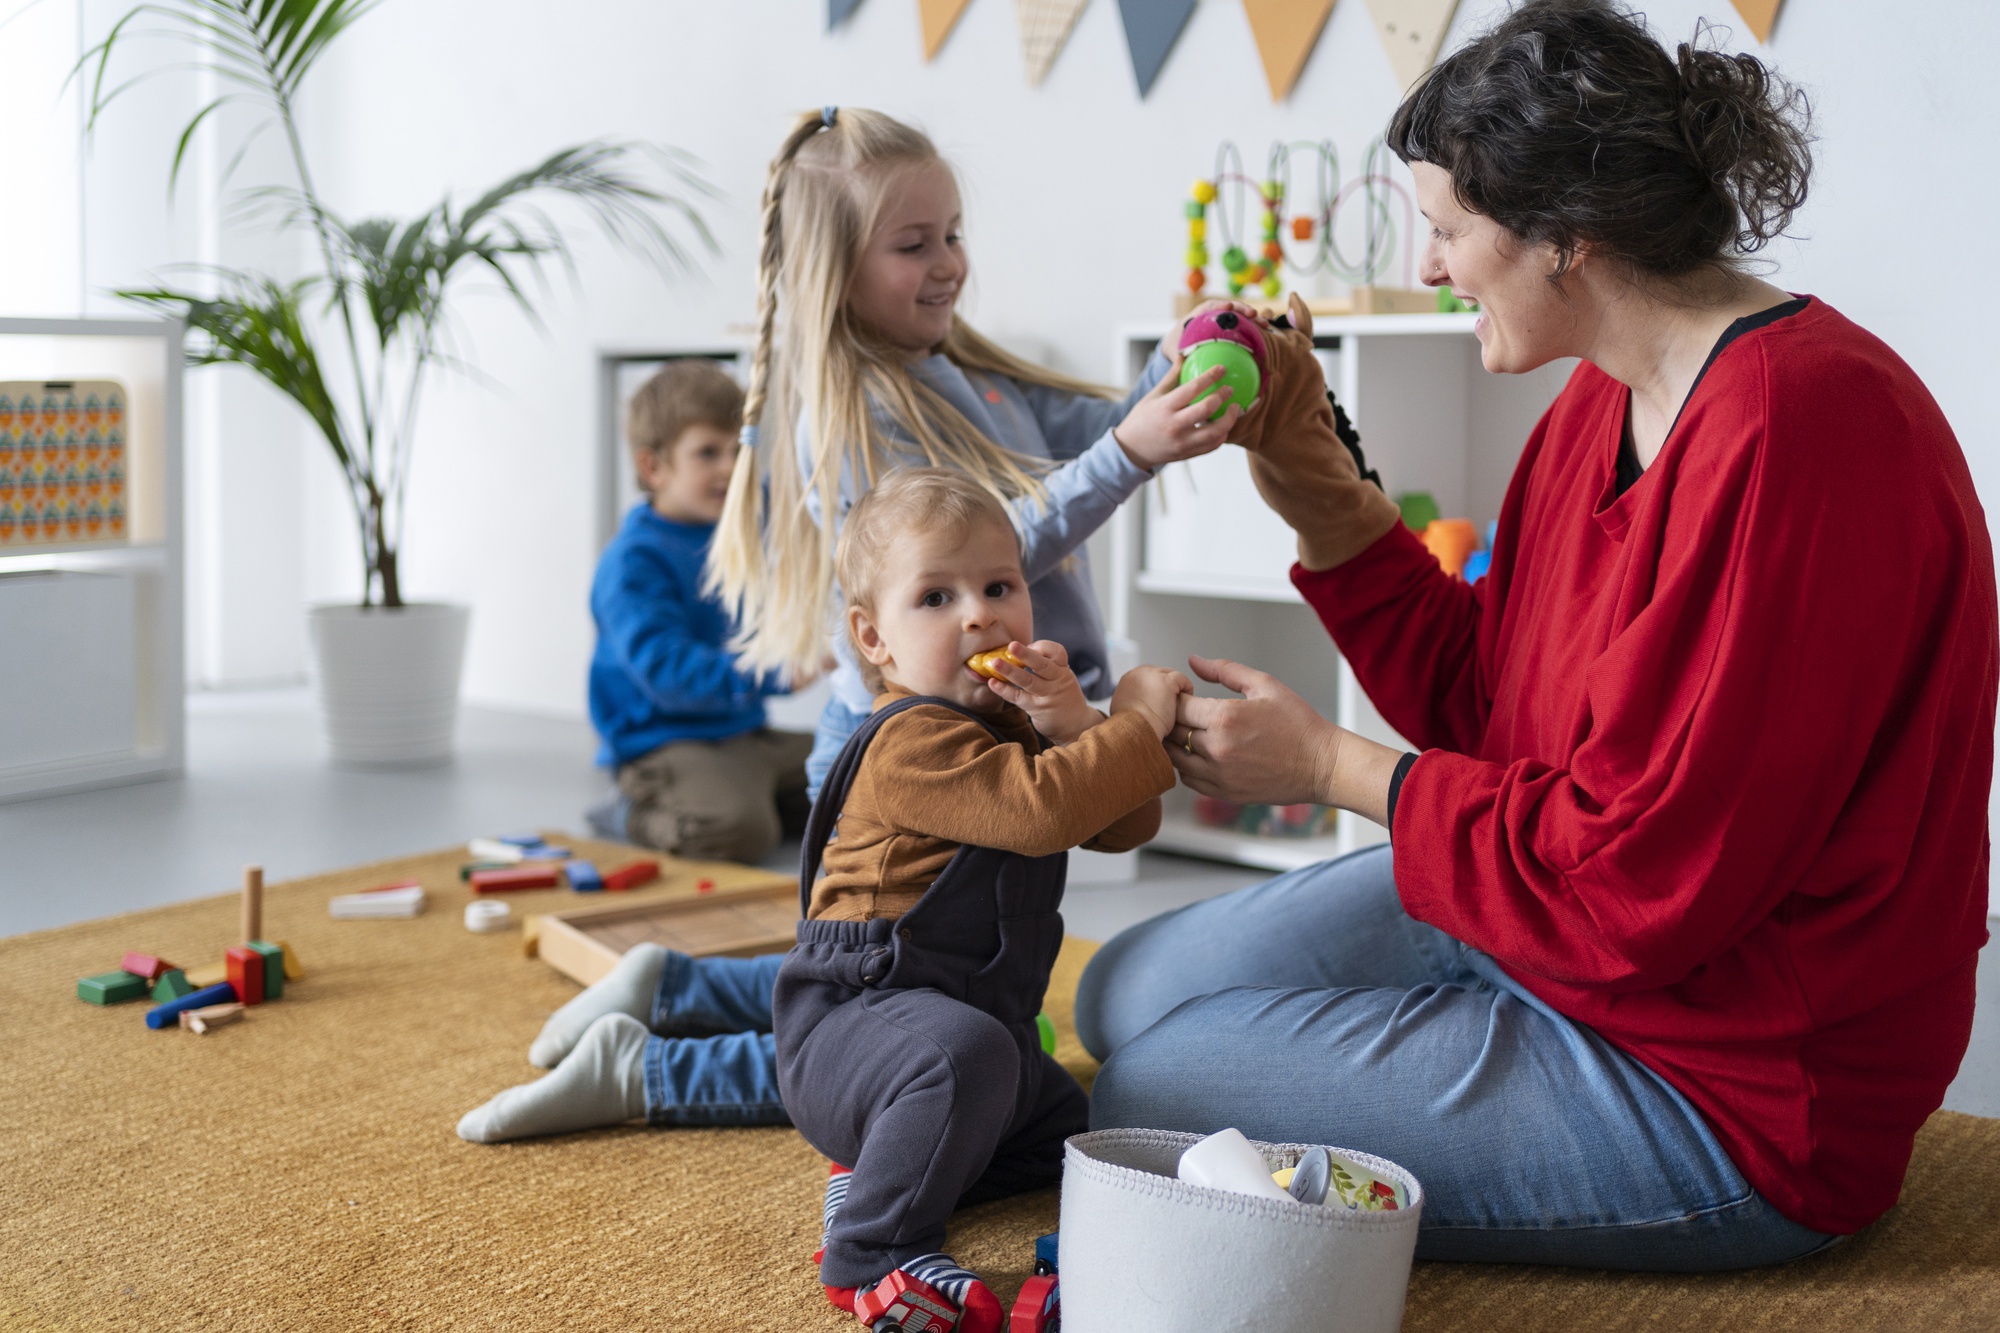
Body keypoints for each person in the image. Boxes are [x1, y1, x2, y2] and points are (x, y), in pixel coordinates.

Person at [1075, 0, 1995, 1273]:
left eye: (1448, 230)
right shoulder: (1595, 403)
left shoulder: (1802, 430)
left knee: (1152, 1088)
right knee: (1120, 993)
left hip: (1725, 1080)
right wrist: (1308, 475)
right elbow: (1485, 704)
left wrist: (1328, 769)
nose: (1433, 265)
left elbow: (1637, 881)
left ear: (1566, 233)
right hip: (1559, 936)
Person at [774, 469, 1185, 1328]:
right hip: (853, 1027)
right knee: (966, 1061)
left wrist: (1079, 722)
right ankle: (871, 1247)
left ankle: (885, 1160)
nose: (980, 614)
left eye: (1000, 586)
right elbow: (1039, 811)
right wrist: (1132, 728)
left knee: (1069, 1132)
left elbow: (1122, 824)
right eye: (936, 596)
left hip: (968, 1031)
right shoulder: (911, 740)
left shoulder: (1016, 726)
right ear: (873, 638)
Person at [583, 359, 812, 865]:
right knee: (736, 832)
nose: (730, 469)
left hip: (742, 730)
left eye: (737, 451)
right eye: (707, 453)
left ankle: (753, 794)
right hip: (667, 740)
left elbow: (798, 505)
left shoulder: (731, 525)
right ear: (653, 467)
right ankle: (630, 809)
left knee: (858, 771)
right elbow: (667, 673)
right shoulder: (632, 563)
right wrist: (774, 671)